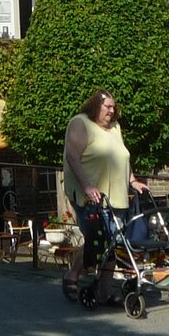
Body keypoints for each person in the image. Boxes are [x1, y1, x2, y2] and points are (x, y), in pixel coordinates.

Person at [61, 90, 148, 300]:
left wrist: (133, 181)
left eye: (113, 107)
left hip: (115, 195)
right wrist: (88, 186)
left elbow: (121, 156)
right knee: (101, 240)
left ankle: (103, 291)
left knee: (113, 241)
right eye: (107, 106)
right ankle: (75, 274)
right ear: (95, 106)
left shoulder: (115, 128)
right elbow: (73, 157)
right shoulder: (81, 124)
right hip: (89, 195)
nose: (111, 110)